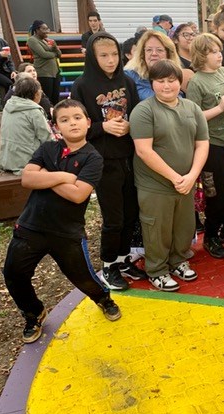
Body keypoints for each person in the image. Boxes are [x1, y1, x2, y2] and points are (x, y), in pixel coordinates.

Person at [2, 99, 121, 344]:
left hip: (67, 232)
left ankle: (104, 299)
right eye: (64, 120)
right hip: (31, 226)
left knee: (84, 278)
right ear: (56, 126)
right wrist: (65, 176)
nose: (72, 123)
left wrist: (45, 176)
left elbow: (79, 195)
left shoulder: (93, 158)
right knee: (14, 273)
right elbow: (27, 179)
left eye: (77, 117)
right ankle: (34, 312)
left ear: (88, 122)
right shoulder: (47, 149)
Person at [71, 32, 146, 290]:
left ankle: (124, 259)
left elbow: (137, 112)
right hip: (103, 160)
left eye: (114, 54)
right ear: (92, 56)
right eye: (104, 55)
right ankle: (108, 265)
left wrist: (129, 126)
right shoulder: (82, 85)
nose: (111, 60)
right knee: (113, 217)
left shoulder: (127, 80)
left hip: (129, 155)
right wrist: (103, 127)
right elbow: (77, 128)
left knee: (130, 213)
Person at [130, 60, 209, 292]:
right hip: (155, 184)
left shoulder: (192, 108)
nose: (166, 86)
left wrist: (192, 175)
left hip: (187, 181)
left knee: (183, 226)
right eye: (160, 81)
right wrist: (175, 177)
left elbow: (202, 144)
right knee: (157, 229)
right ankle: (157, 270)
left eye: (171, 80)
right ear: (152, 83)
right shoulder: (144, 111)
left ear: (180, 81)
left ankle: (177, 261)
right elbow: (144, 150)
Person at [186, 33, 224, 260]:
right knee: (216, 194)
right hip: (212, 145)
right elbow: (192, 117)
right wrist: (219, 108)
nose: (220, 55)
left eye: (219, 50)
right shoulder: (196, 82)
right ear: (201, 55)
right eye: (213, 52)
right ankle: (210, 236)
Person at [0, 76, 52, 174]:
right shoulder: (34, 111)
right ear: (36, 94)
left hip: (6, 159)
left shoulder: (9, 105)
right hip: (27, 162)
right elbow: (47, 138)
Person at [125, 30, 183, 100]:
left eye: (159, 50)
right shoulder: (130, 76)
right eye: (149, 50)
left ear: (168, 54)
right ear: (143, 54)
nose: (154, 54)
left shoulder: (175, 74)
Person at [27, 20, 61, 105]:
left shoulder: (45, 40)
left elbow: (59, 54)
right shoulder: (32, 40)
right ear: (37, 30)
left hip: (54, 72)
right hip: (44, 73)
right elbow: (44, 54)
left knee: (56, 97)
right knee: (47, 98)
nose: (46, 31)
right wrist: (54, 53)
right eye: (44, 29)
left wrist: (55, 46)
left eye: (47, 29)